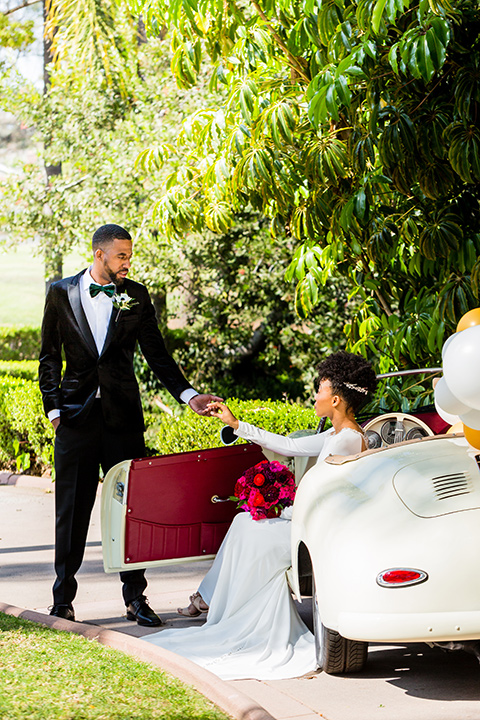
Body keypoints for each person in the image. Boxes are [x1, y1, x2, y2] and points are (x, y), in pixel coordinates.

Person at [143, 351, 377, 680]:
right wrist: (237, 425)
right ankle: (211, 599)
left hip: (313, 531)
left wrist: (276, 506)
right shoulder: (338, 434)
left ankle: (218, 605)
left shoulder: (349, 439)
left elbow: (319, 496)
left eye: (320, 389)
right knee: (244, 521)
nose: (315, 395)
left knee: (249, 527)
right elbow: (288, 446)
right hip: (305, 522)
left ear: (336, 400)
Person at [39, 223, 221, 626]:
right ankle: (62, 599)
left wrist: (189, 396)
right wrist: (54, 411)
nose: (128, 262)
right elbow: (48, 357)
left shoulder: (136, 295)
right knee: (71, 511)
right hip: (74, 419)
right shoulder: (60, 293)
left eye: (129, 255)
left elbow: (157, 354)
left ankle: (135, 598)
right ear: (99, 254)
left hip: (123, 422)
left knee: (130, 512)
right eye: (121, 255)